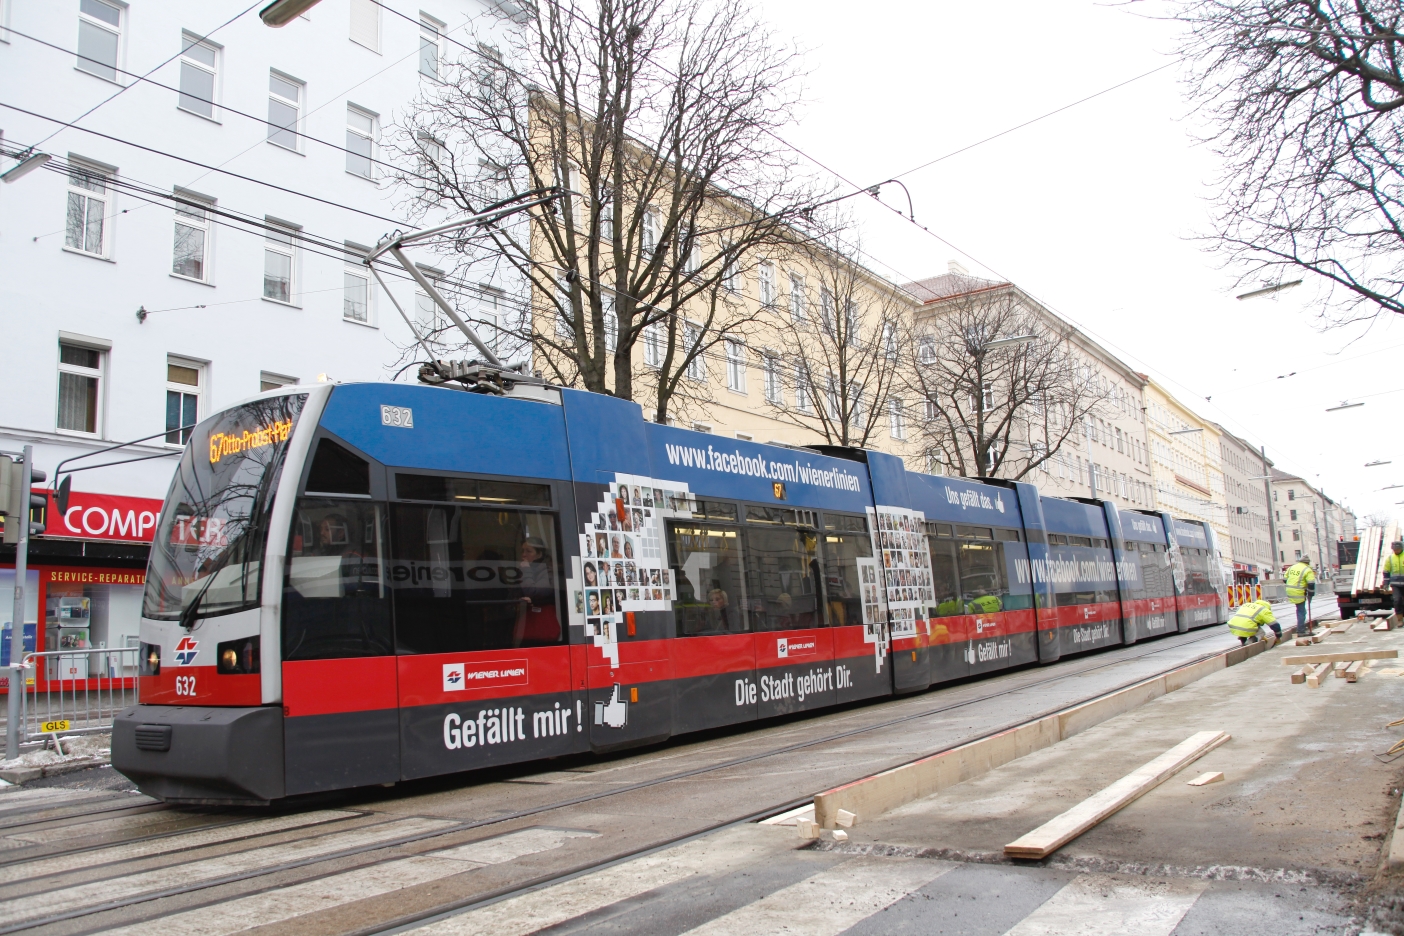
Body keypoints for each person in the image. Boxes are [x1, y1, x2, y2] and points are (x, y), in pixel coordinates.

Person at [513, 537, 560, 644]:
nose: (523, 555)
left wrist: (525, 570)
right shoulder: (524, 570)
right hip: (526, 626)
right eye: (523, 551)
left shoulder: (547, 570)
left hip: (541, 629)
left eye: (528, 551)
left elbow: (533, 591)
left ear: (539, 554)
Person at [1283, 556, 1317, 636]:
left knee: (1299, 609)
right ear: (1307, 562)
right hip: (1299, 591)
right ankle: (1300, 631)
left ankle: (1301, 628)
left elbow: (1285, 579)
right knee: (1301, 611)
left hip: (1290, 590)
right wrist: (1310, 595)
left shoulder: (1292, 567)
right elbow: (1311, 583)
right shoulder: (1307, 570)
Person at [1384, 541, 1404, 627]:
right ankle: (1400, 620)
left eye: (1398, 549)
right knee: (1397, 600)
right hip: (1395, 584)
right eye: (1395, 549)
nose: (1396, 551)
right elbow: (1386, 571)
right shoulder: (1390, 558)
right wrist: (1386, 583)